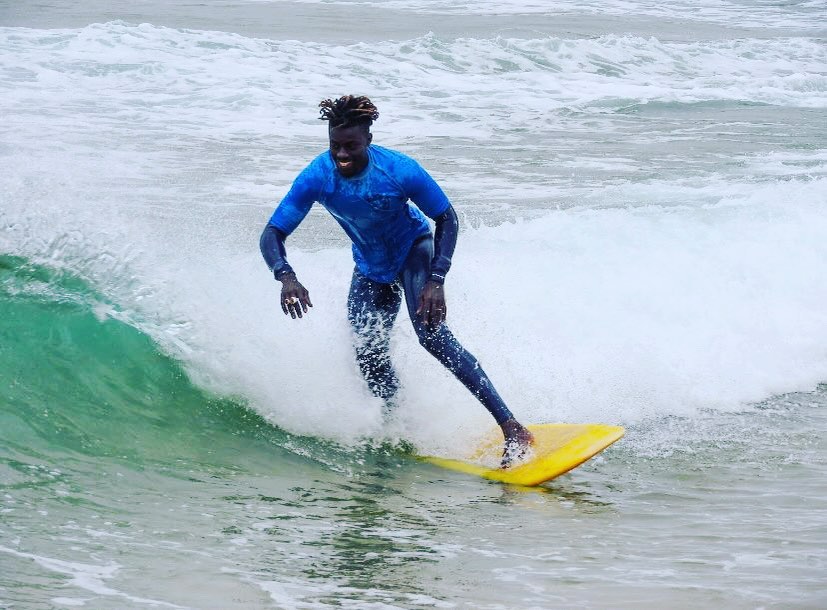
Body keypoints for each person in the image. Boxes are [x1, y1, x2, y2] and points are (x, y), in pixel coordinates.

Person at [259, 95, 533, 466]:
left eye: (351, 146)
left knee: (433, 337)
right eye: (335, 145)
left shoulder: (399, 170)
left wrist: (437, 279)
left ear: (368, 140)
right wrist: (286, 276)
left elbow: (447, 217)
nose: (342, 154)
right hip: (370, 266)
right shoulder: (317, 177)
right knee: (368, 353)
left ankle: (513, 428)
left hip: (413, 252)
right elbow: (273, 232)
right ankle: (399, 427)